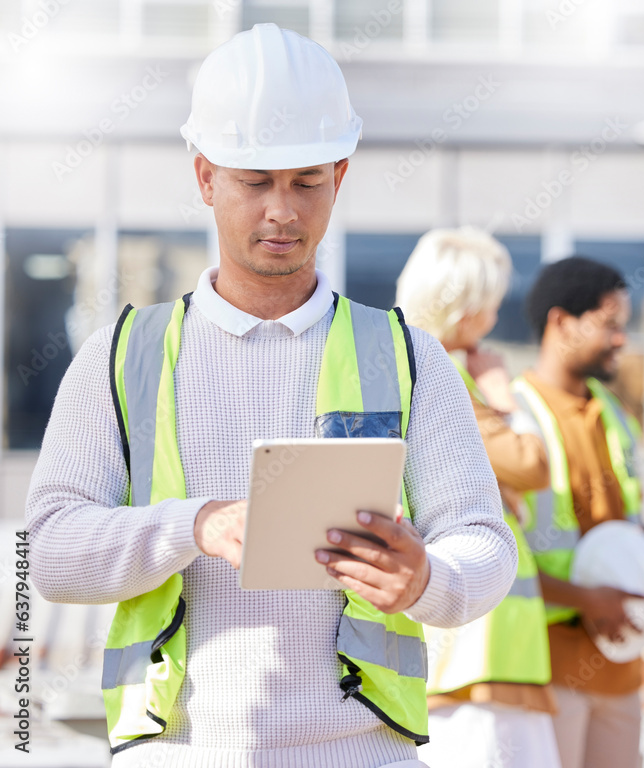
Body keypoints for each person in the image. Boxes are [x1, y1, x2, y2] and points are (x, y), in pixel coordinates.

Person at [24, 24, 517, 768]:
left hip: (364, 753)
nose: (282, 211)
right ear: (205, 179)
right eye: (255, 182)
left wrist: (427, 579)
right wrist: (195, 526)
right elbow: (52, 553)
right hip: (177, 752)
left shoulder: (409, 357)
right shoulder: (122, 358)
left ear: (339, 177)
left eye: (306, 181)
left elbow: (485, 544)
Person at [395, 227, 562, 768]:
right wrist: (499, 391)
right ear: (466, 309)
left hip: (474, 649)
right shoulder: (446, 376)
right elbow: (531, 463)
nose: (492, 319)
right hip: (475, 652)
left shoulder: (397, 368)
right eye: (488, 305)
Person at [516, 255, 644, 768]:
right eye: (609, 325)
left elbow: (625, 518)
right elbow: (502, 556)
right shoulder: (515, 418)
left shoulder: (613, 413)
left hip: (620, 664)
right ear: (561, 323)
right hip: (547, 665)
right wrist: (587, 598)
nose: (621, 340)